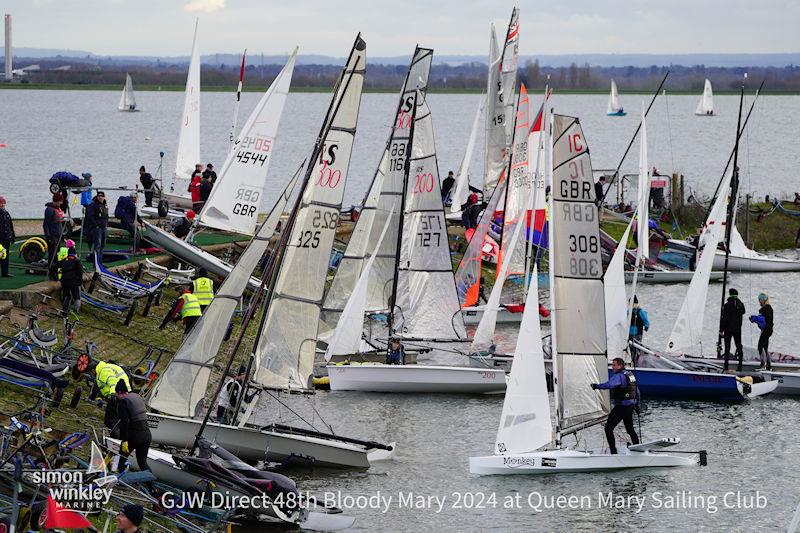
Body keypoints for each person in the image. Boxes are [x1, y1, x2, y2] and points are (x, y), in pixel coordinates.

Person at [591, 357, 640, 455]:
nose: (612, 367)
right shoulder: (630, 375)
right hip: (631, 406)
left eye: (614, 365)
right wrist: (637, 405)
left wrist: (597, 386)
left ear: (620, 366)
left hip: (622, 407)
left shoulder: (619, 376)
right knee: (630, 429)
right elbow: (636, 391)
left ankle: (613, 452)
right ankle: (638, 448)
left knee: (608, 428)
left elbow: (610, 385)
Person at [115, 380, 151, 472]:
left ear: (119, 393)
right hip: (147, 434)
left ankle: (119, 479)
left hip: (135, 435)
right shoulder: (136, 396)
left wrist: (124, 440)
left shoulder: (123, 402)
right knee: (142, 462)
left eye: (116, 394)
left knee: (122, 457)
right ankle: (151, 484)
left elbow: (125, 422)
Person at [91, 359, 132, 436]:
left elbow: (112, 382)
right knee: (119, 418)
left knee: (110, 420)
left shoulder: (103, 371)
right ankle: (120, 437)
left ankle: (115, 438)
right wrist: (100, 398)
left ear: (93, 370)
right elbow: (103, 387)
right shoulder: (106, 368)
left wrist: (113, 395)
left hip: (117, 396)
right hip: (125, 394)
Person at [720, 288, 746, 371]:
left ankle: (726, 366)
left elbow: (724, 319)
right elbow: (743, 312)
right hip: (738, 329)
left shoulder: (727, 305)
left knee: (727, 347)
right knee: (739, 346)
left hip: (728, 329)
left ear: (730, 294)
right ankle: (740, 366)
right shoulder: (740, 304)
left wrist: (721, 329)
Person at [749, 293, 774, 370]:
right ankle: (768, 365)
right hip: (767, 329)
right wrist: (756, 320)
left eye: (759, 300)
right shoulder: (766, 308)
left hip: (767, 329)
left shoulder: (766, 308)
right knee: (765, 347)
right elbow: (763, 320)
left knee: (760, 346)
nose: (759, 301)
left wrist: (756, 319)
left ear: (763, 300)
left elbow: (765, 320)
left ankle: (763, 364)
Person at [44, 193, 65, 280]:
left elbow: (58, 221)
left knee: (57, 255)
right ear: (56, 201)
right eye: (60, 201)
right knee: (52, 255)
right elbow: (45, 224)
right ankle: (51, 273)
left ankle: (56, 272)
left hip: (58, 235)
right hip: (52, 236)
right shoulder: (49, 210)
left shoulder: (58, 208)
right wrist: (48, 236)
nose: (61, 202)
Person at [84, 191, 109, 261]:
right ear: (97, 197)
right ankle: (96, 262)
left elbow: (106, 216)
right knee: (97, 245)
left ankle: (100, 261)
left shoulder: (105, 205)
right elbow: (90, 217)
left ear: (104, 197)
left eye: (102, 196)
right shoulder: (93, 205)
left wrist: (106, 224)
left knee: (102, 245)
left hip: (104, 228)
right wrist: (96, 225)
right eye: (99, 196)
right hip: (97, 229)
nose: (100, 197)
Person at [58, 247, 84, 314]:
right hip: (74, 281)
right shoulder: (77, 261)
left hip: (64, 281)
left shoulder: (63, 261)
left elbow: (57, 265)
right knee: (77, 296)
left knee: (67, 295)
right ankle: (76, 310)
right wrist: (80, 282)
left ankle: (65, 310)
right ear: (75, 254)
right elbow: (80, 273)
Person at [628, 295, 649, 362]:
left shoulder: (640, 311)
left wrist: (646, 327)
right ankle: (632, 360)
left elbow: (646, 321)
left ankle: (637, 361)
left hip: (637, 334)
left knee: (636, 348)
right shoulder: (629, 311)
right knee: (631, 349)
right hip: (629, 334)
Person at [0, 196, 14, 278]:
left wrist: (12, 236)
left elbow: (10, 226)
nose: (2, 204)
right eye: (1, 203)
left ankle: (5, 272)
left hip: (7, 238)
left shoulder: (6, 213)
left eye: (3, 203)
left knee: (6, 256)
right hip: (1, 239)